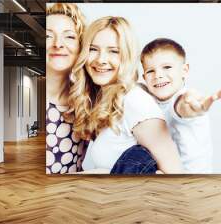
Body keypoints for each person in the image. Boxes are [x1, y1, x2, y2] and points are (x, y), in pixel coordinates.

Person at [67, 16, 183, 174]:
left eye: (113, 51)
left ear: (127, 56)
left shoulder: (135, 101)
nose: (101, 59)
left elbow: (175, 175)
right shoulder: (108, 99)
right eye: (93, 49)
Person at [140, 38, 221, 173]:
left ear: (185, 70)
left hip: (192, 181)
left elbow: (181, 108)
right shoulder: (146, 100)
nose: (158, 75)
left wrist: (189, 106)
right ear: (144, 77)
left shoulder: (184, 99)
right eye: (150, 71)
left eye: (167, 67)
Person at [45, 3, 88, 174]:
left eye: (69, 37)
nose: (58, 44)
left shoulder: (85, 102)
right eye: (48, 36)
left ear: (80, 47)